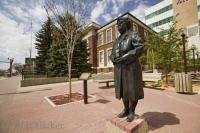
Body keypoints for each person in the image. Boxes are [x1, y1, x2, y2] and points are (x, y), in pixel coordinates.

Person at [109, 16, 144, 122]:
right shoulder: (117, 40)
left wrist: (125, 57)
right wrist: (113, 58)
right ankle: (126, 109)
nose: (118, 26)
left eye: (120, 24)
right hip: (119, 69)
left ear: (126, 24)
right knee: (123, 90)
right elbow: (112, 53)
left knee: (132, 90)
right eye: (117, 24)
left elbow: (140, 47)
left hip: (131, 68)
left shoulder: (133, 34)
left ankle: (132, 111)